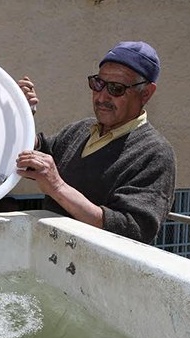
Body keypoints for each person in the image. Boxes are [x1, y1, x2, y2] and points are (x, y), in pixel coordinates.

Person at [16, 41, 176, 244]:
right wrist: (20, 113)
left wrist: (58, 187)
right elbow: (32, 155)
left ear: (146, 93)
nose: (101, 97)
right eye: (98, 84)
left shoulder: (155, 154)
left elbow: (132, 231)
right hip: (53, 261)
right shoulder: (81, 130)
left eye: (116, 88)